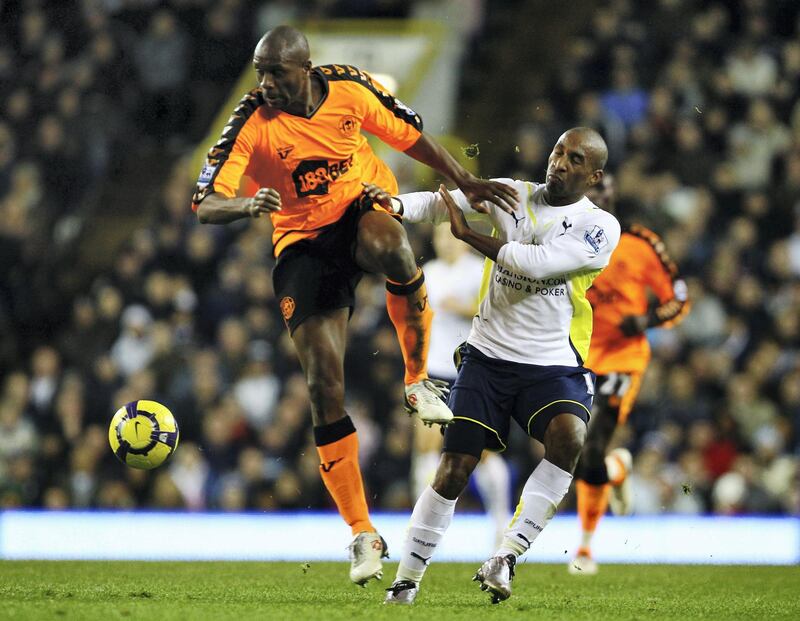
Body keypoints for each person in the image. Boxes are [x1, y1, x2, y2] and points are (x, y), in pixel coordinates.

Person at [190, 26, 517, 586]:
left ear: (305, 67)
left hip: (359, 209)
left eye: (276, 72)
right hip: (301, 244)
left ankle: (417, 381)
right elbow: (204, 204)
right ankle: (363, 532)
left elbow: (411, 135)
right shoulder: (251, 121)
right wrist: (246, 204)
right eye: (259, 71)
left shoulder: (348, 89)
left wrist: (463, 180)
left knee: (392, 244)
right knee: (323, 386)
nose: (265, 83)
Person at [367, 127, 620, 605]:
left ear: (594, 175)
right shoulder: (513, 195)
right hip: (486, 356)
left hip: (551, 363)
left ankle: (506, 554)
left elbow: (540, 263)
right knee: (455, 469)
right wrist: (396, 206)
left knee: (569, 438)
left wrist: (470, 237)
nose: (561, 163)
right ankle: (405, 582)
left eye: (576, 159)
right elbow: (445, 203)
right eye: (558, 152)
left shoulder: (599, 227)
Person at [569, 174, 690, 575]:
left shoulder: (640, 244)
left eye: (603, 189)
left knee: (590, 447)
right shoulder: (561, 239)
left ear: (614, 194)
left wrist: (645, 320)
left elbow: (679, 298)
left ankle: (585, 548)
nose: (597, 197)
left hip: (622, 359)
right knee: (575, 452)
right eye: (590, 192)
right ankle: (619, 470)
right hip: (574, 356)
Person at [413, 225, 511, 548]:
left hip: (471, 369)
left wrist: (466, 308)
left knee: (481, 452)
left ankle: (500, 521)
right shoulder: (429, 272)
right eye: (439, 237)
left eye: (449, 237)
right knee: (426, 446)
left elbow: (501, 312)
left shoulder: (481, 270)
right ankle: (422, 526)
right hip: (435, 370)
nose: (443, 242)